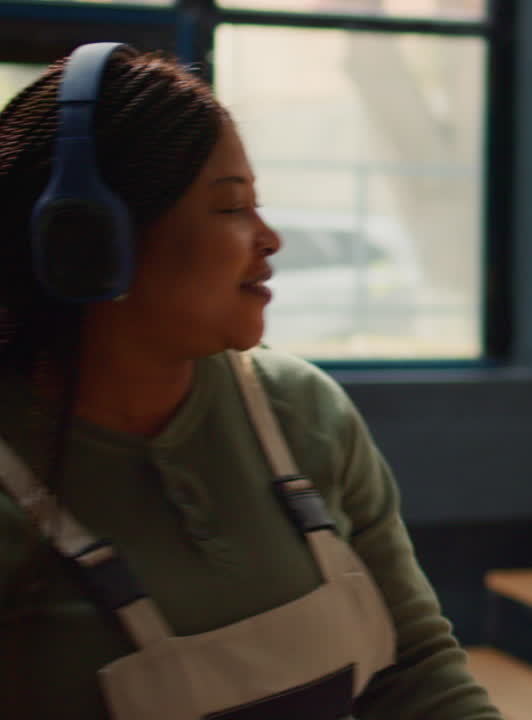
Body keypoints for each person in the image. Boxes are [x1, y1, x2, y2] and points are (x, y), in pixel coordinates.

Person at [0, 44, 503, 719]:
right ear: (94, 242)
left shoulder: (302, 412)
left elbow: (414, 671)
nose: (269, 239)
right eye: (231, 207)